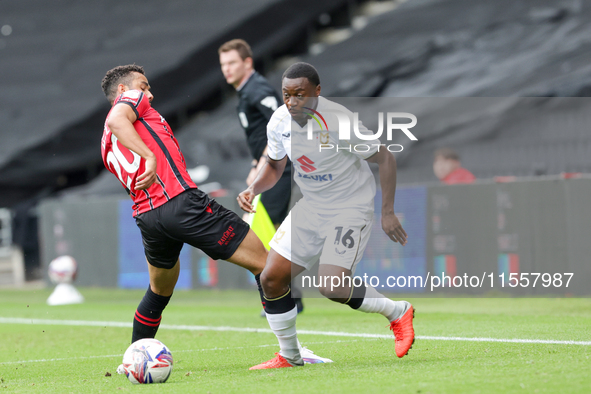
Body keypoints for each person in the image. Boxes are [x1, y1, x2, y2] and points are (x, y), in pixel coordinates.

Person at [99, 65, 328, 369]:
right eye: (144, 85)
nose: (149, 94)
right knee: (267, 266)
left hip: (148, 218)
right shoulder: (128, 104)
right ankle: (293, 352)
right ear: (123, 90)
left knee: (159, 290)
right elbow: (118, 117)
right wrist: (151, 156)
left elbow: (117, 128)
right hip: (181, 204)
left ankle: (133, 359)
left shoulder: (105, 141)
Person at [238, 62, 415, 369]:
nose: (293, 102)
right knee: (271, 278)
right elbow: (276, 166)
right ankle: (290, 356)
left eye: (300, 95)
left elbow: (385, 157)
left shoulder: (338, 121)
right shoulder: (279, 121)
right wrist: (254, 188)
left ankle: (398, 311)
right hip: (312, 206)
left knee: (332, 286)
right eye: (287, 95)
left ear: (317, 92)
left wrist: (387, 212)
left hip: (350, 206)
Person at [219, 39, 303, 314]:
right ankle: (289, 296)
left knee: (261, 231)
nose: (226, 69)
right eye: (223, 65)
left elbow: (284, 123)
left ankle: (282, 298)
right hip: (270, 167)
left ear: (247, 63)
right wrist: (257, 163)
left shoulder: (257, 89)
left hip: (280, 168)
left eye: (232, 63)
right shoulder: (245, 93)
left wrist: (264, 165)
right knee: (272, 233)